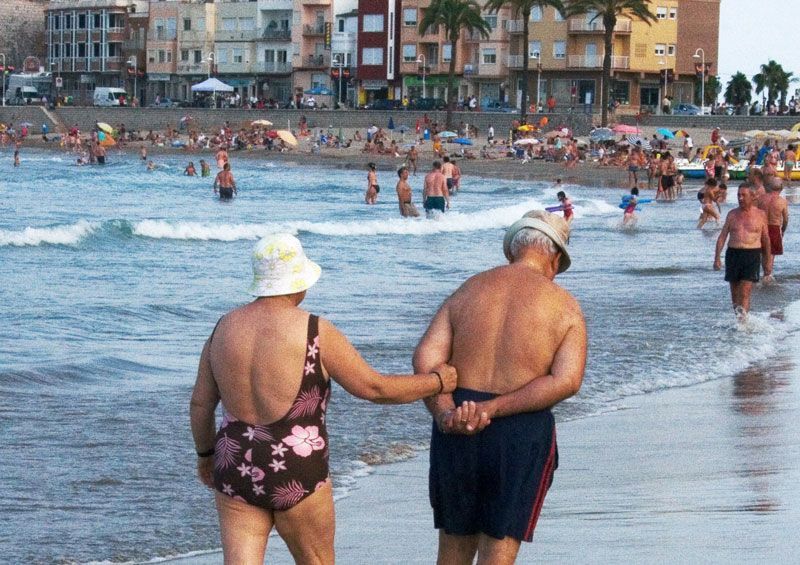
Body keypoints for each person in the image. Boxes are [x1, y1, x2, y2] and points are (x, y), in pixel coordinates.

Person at [190, 234, 457, 565]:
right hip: (297, 467)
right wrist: (436, 381)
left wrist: (205, 456)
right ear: (298, 282)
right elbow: (374, 388)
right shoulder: (314, 330)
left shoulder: (223, 328)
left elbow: (201, 405)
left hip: (234, 463)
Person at [413, 210, 586, 565]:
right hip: (519, 430)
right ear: (554, 258)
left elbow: (426, 360)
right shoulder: (565, 307)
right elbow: (567, 381)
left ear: (512, 251)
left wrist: (447, 412)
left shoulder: (468, 289)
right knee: (498, 552)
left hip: (457, 423)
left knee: (452, 551)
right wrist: (493, 409)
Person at [714, 183, 771, 319]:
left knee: (745, 291)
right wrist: (717, 258)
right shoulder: (732, 214)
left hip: (752, 254)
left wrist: (767, 261)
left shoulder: (760, 215)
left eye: (743, 195)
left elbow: (766, 239)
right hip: (733, 254)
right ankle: (738, 319)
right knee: (734, 293)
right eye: (739, 195)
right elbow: (722, 236)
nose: (740, 198)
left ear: (752, 196)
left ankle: (743, 322)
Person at [761, 176, 789, 281]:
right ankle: (767, 275)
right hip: (774, 227)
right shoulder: (782, 201)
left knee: (763, 252)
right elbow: (786, 219)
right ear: (781, 188)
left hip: (761, 227)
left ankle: (764, 273)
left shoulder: (761, 198)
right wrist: (783, 230)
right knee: (771, 253)